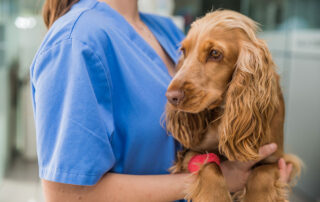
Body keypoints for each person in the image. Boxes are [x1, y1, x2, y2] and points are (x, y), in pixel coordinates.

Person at [30, 0, 293, 201]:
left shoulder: (165, 29)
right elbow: (65, 194)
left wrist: (259, 179)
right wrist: (221, 180)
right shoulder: (76, 41)